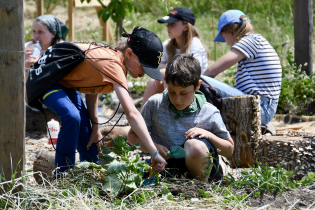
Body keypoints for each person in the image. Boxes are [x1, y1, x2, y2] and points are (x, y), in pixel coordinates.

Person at [26, 26, 166, 175]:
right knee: (72, 117)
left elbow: (92, 89)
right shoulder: (114, 63)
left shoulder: (114, 61)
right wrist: (154, 151)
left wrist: (95, 127)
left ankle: (89, 174)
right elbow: (132, 113)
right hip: (46, 81)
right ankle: (62, 175)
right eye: (144, 67)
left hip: (66, 84)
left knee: (89, 137)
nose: (144, 73)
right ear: (130, 54)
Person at [128, 54, 234, 182]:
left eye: (184, 93)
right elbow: (132, 136)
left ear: (197, 85)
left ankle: (201, 188)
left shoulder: (209, 112)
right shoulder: (154, 104)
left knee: (195, 146)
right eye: (172, 91)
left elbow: (229, 150)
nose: (177, 99)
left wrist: (208, 135)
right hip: (166, 169)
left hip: (203, 171)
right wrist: (153, 148)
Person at [203, 10, 282, 125]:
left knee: (200, 80)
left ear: (231, 32)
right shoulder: (255, 41)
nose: (226, 43)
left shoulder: (249, 41)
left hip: (260, 108)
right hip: (263, 107)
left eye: (223, 37)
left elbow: (211, 71)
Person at [141, 7, 210, 109]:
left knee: (165, 73)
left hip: (195, 88)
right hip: (176, 85)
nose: (168, 27)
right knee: (154, 79)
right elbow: (155, 66)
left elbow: (194, 72)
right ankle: (142, 116)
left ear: (185, 27)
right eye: (168, 24)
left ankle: (172, 112)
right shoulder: (167, 44)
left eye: (172, 24)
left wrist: (167, 67)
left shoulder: (194, 44)